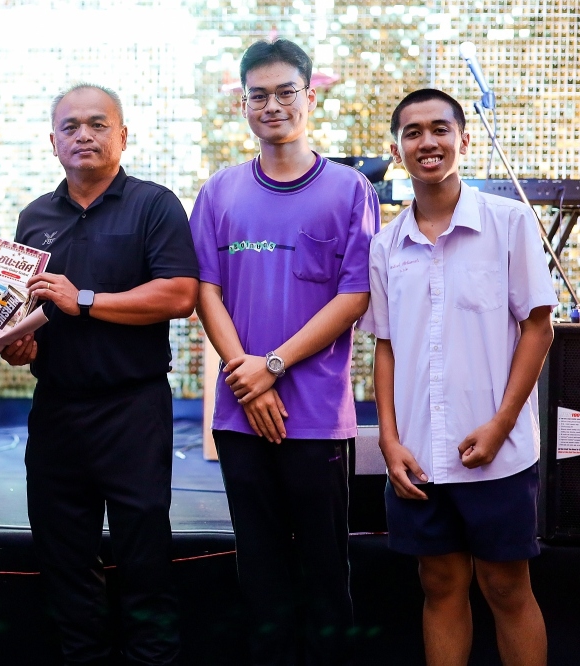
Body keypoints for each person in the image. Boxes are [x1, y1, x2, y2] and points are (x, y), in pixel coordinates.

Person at [189, 39, 379, 664]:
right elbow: (205, 291)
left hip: (316, 418)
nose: (272, 105)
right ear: (243, 105)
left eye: (285, 92)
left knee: (326, 576)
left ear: (310, 97)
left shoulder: (350, 190)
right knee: (260, 576)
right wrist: (246, 378)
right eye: (259, 95)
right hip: (241, 414)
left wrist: (271, 367)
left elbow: (354, 296)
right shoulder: (219, 192)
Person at [2, 83, 199, 665]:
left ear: (122, 135)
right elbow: (22, 315)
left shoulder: (154, 205)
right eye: (70, 127)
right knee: (63, 559)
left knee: (145, 557)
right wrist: (16, 346)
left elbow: (180, 294)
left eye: (97, 124)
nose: (83, 135)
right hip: (57, 409)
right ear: (53, 141)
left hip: (132, 408)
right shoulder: (34, 217)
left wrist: (84, 299)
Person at [359, 88, 554, 666]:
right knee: (439, 584)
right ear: (396, 151)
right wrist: (389, 440)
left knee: (506, 588)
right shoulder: (385, 246)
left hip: (496, 452)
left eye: (439, 129)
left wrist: (500, 425)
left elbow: (538, 329)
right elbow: (386, 348)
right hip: (419, 455)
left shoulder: (508, 223)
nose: (428, 142)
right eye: (412, 132)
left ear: (463, 141)